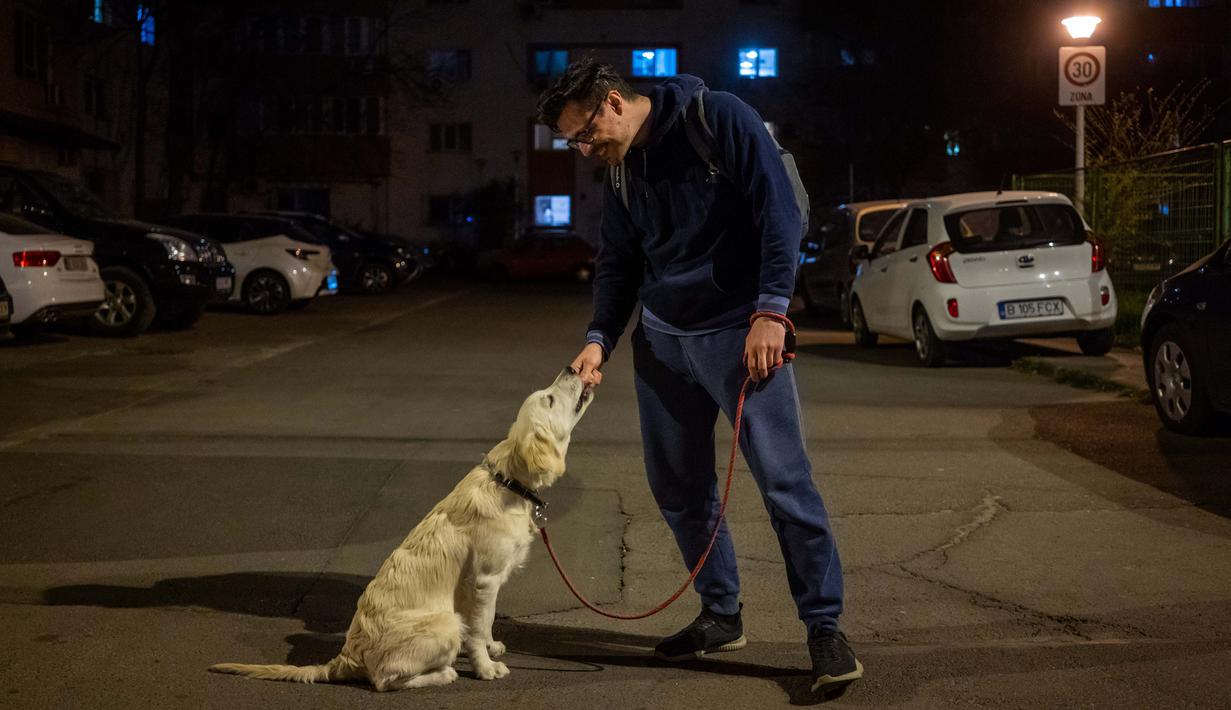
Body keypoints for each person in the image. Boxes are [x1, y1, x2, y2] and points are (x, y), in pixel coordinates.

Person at [536, 59, 862, 696]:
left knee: (785, 486)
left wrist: (772, 309)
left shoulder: (719, 119)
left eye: (582, 135)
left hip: (740, 337)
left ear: (611, 102)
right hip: (662, 342)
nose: (581, 150)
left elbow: (780, 213)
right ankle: (721, 614)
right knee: (679, 489)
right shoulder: (623, 169)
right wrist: (600, 338)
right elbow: (619, 261)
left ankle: (824, 629)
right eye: (571, 143)